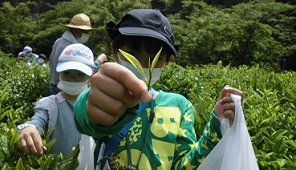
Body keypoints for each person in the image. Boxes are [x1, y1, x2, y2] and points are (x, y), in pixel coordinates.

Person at [74, 9, 244, 169]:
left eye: (155, 57)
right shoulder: (108, 96)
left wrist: (216, 126)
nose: (142, 64)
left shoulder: (179, 106)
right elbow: (86, 115)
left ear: (167, 61)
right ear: (115, 52)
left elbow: (184, 165)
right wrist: (88, 103)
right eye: (132, 54)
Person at [17, 43, 97, 169]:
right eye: (67, 73)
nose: (72, 79)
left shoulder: (99, 103)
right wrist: (28, 128)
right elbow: (38, 120)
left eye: (80, 74)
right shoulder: (49, 104)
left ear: (91, 75)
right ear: (58, 72)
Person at [48, 13, 107, 95]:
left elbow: (51, 63)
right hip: (66, 89)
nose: (87, 34)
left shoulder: (59, 41)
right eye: (85, 31)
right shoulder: (73, 48)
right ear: (75, 30)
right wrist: (99, 60)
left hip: (54, 87)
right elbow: (86, 72)